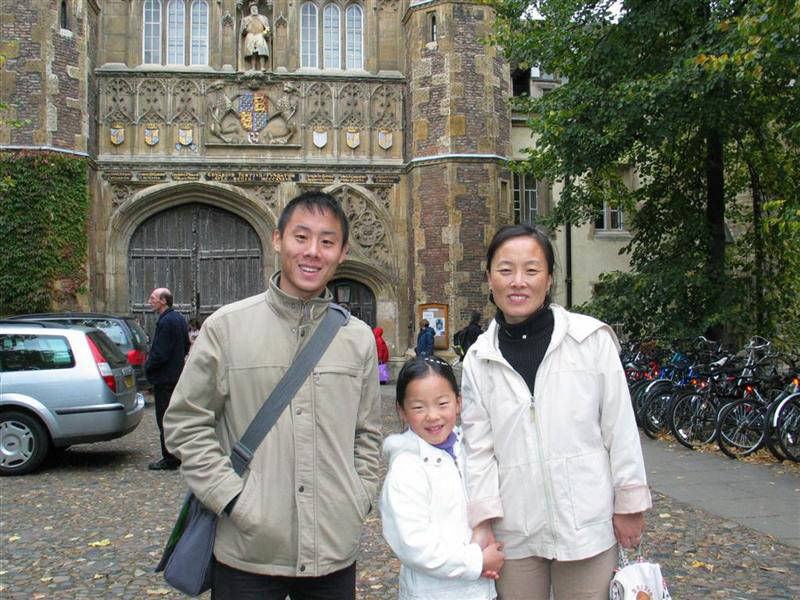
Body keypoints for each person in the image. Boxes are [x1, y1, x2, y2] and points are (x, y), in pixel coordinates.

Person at [163, 191, 382, 599]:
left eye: (327, 241)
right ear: (278, 239)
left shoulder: (358, 339)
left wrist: (358, 497)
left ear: (342, 252)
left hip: (332, 547)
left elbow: (367, 432)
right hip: (248, 551)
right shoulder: (226, 328)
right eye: (301, 237)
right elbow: (185, 424)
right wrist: (232, 500)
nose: (313, 251)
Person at [461, 224, 651, 600]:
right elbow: (478, 450)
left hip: (586, 523)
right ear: (489, 278)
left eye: (531, 270)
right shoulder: (479, 359)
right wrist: (482, 521)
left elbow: (620, 427)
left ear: (549, 279)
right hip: (515, 529)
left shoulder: (590, 340)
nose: (518, 282)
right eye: (505, 270)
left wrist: (629, 503)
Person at [380, 356, 504, 600]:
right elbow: (413, 544)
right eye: (419, 407)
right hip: (432, 592)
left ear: (458, 403)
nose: (432, 415)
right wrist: (476, 561)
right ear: (402, 411)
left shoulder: (472, 450)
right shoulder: (407, 468)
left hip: (481, 590)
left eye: (442, 403)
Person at [144, 288, 190, 471]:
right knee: (175, 416)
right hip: (176, 375)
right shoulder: (179, 319)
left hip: (164, 378)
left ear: (163, 301)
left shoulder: (165, 321)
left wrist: (148, 367)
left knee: (164, 418)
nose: (150, 301)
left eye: (153, 298)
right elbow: (186, 345)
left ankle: (170, 458)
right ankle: (177, 453)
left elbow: (160, 352)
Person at [241, 0, 271, 71]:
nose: (254, 10)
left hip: (260, 35)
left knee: (262, 51)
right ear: (250, 10)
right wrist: (244, 28)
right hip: (250, 36)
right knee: (252, 52)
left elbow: (267, 28)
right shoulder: (246, 19)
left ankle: (262, 67)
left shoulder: (263, 18)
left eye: (255, 8)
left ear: (257, 9)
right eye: (252, 8)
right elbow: (242, 32)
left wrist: (265, 33)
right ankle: (253, 67)